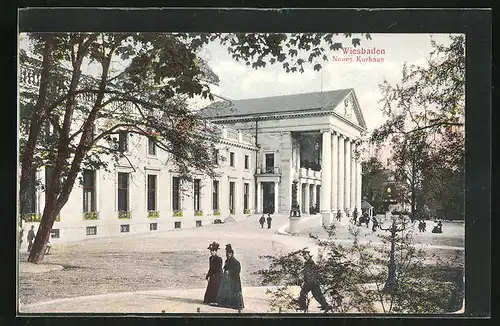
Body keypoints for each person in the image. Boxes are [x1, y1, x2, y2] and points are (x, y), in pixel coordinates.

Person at [216, 244, 244, 309]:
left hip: (234, 280)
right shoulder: (228, 261)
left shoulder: (235, 261)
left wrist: (229, 272)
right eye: (226, 253)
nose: (226, 255)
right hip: (229, 279)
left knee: (234, 292)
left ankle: (236, 305)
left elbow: (237, 270)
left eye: (227, 253)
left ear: (231, 253)